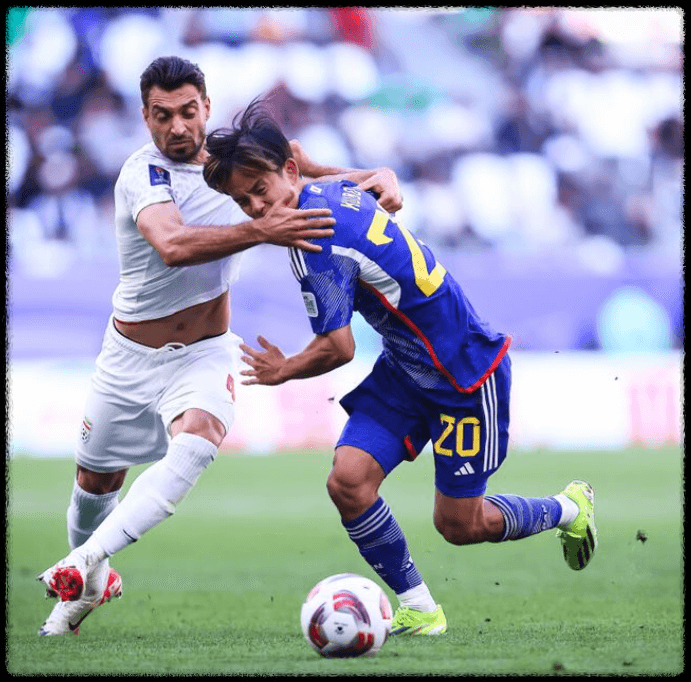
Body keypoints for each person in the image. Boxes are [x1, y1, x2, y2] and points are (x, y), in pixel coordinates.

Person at [36, 56, 403, 636]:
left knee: (199, 438)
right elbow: (173, 245)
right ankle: (90, 580)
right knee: (94, 484)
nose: (177, 127)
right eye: (162, 116)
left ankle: (82, 563)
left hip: (205, 351)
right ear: (145, 118)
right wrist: (261, 229)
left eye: (188, 111)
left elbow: (300, 169)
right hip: (127, 355)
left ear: (207, 106)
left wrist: (374, 175)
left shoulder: (235, 163)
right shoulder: (143, 173)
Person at [202, 100, 598, 636]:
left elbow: (338, 348)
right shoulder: (329, 191)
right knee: (348, 481)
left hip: (463, 373)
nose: (256, 208)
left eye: (260, 190)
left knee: (459, 525)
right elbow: (365, 179)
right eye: (243, 201)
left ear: (288, 172)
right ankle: (420, 608)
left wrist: (285, 369)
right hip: (407, 367)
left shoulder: (313, 237)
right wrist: (324, 168)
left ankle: (568, 508)